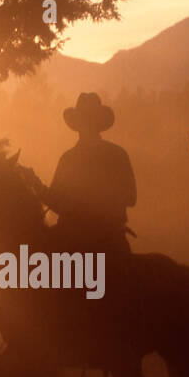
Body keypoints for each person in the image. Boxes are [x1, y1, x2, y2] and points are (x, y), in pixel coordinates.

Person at [44, 92, 136, 258]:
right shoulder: (118, 154)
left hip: (73, 242)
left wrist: (37, 188)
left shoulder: (69, 159)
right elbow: (131, 197)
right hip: (112, 240)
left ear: (77, 125)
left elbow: (56, 202)